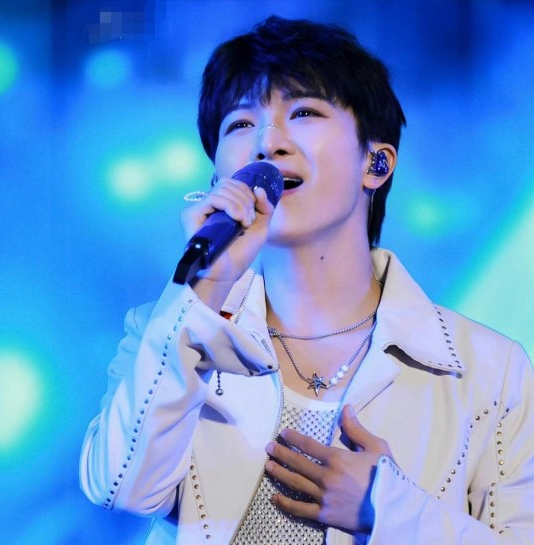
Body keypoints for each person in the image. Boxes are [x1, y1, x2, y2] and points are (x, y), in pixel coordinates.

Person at [79, 15, 534, 544]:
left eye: (303, 112)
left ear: (376, 163)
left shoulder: (489, 369)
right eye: (240, 124)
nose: (267, 144)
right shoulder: (166, 333)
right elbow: (120, 489)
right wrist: (205, 290)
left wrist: (389, 512)